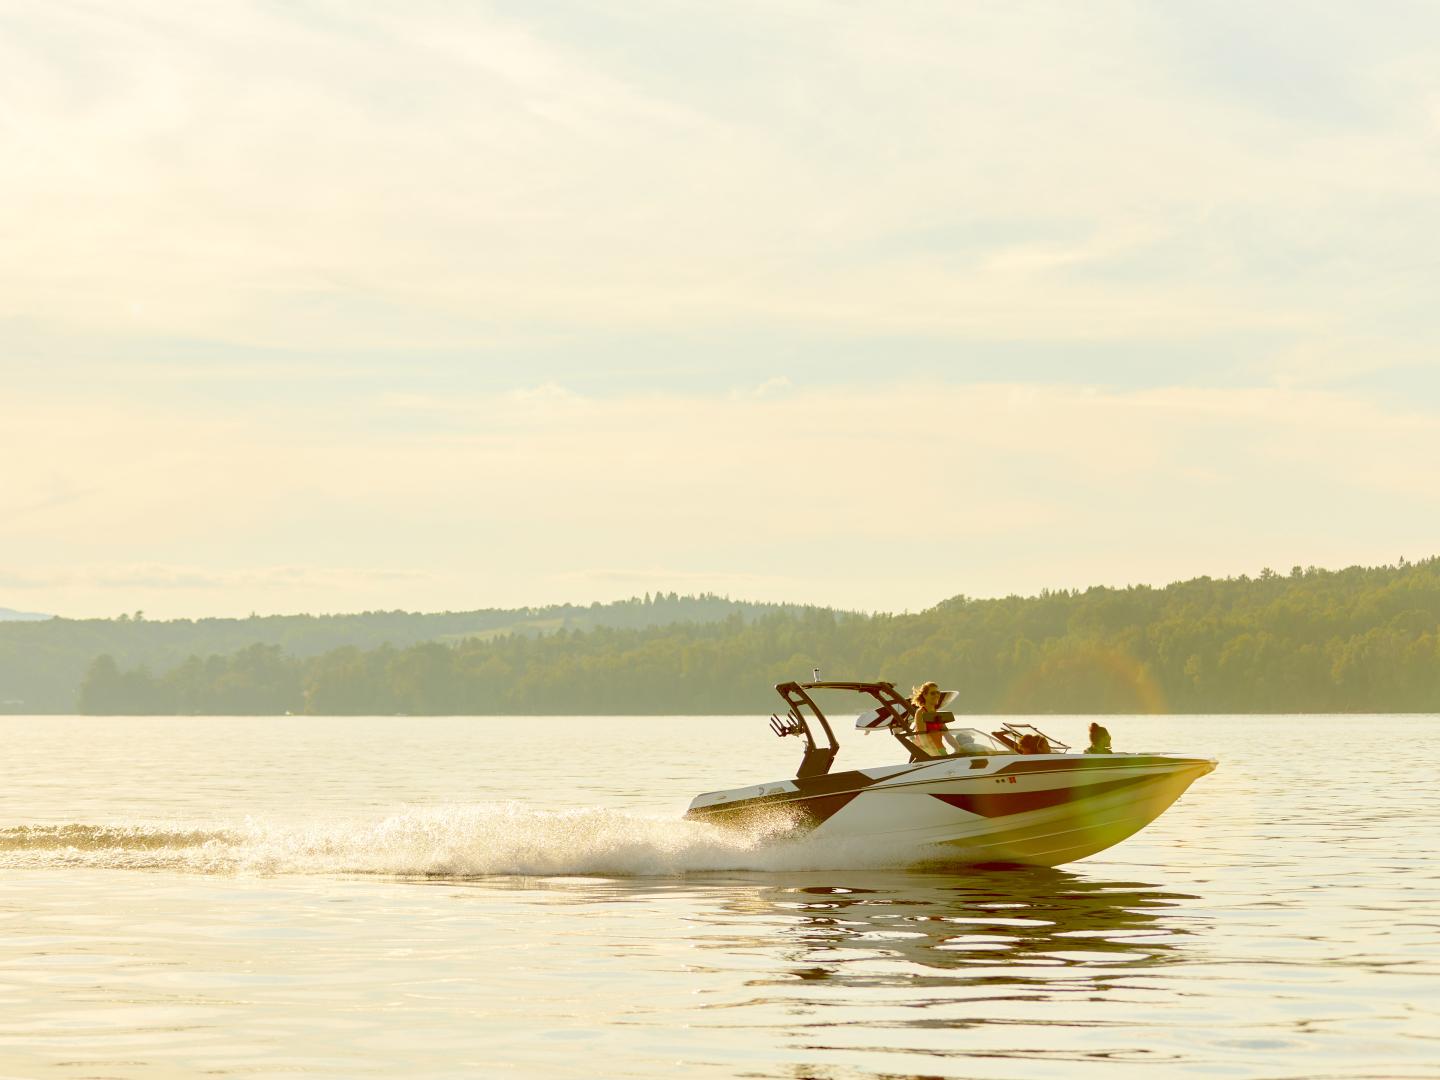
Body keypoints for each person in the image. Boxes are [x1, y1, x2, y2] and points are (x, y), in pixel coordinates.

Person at [909, 681, 952, 756]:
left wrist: (959, 748)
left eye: (938, 693)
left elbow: (947, 735)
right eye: (933, 693)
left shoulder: (937, 713)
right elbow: (923, 738)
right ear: (925, 695)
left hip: (941, 750)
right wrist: (936, 754)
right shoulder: (921, 713)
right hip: (928, 753)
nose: (936, 695)